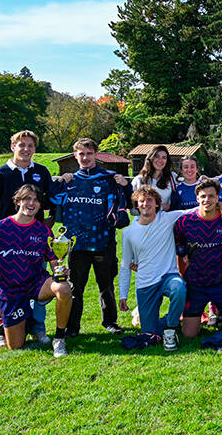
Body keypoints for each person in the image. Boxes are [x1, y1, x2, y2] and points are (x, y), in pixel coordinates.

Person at [49, 137, 130, 338]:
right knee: (76, 287)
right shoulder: (69, 181)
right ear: (75, 156)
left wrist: (125, 186)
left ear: (96, 155)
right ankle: (72, 326)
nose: (85, 158)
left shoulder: (109, 179)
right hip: (76, 244)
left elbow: (129, 200)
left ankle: (110, 322)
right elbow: (50, 199)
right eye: (81, 154)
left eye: (89, 153)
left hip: (104, 241)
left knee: (106, 285)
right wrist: (59, 183)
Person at [0, 185, 72, 357]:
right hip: (11, 291)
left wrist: (60, 271)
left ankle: (59, 339)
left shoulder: (43, 231)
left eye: (36, 200)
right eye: (27, 199)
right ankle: (13, 325)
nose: (32, 203)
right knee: (15, 346)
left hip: (36, 284)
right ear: (18, 201)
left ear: (40, 205)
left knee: (63, 288)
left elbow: (54, 262)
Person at [0, 130, 53, 348]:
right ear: (13, 147)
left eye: (30, 145)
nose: (26, 149)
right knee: (0, 290)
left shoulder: (42, 172)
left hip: (34, 241)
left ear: (35, 149)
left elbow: (52, 199)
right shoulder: (0, 174)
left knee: (38, 285)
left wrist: (50, 223)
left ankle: (37, 329)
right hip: (6, 244)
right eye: (21, 145)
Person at [119, 186, 198, 351]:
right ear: (136, 204)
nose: (145, 204)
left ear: (157, 204)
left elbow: (195, 210)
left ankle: (170, 328)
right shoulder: (129, 232)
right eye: (141, 201)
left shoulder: (167, 218)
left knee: (179, 288)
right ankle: (154, 321)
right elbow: (126, 265)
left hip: (168, 276)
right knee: (150, 333)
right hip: (145, 282)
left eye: (149, 200)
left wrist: (220, 205)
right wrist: (123, 295)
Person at [173, 179, 222, 339]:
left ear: (218, 198)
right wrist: (182, 272)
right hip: (196, 283)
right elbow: (178, 249)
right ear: (197, 198)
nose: (207, 200)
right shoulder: (184, 222)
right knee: (189, 334)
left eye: (211, 196)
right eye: (203, 196)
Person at [131, 145, 180, 211]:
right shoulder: (139, 180)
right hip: (145, 219)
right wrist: (159, 207)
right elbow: (132, 207)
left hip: (166, 219)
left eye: (164, 157)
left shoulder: (172, 177)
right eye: (157, 156)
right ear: (151, 158)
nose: (160, 160)